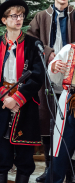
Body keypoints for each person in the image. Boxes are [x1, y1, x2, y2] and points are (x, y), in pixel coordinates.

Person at [0, 0, 44, 183]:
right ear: (4, 20)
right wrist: (5, 96)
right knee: (2, 153)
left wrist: (17, 98)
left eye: (21, 15)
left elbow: (37, 76)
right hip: (1, 103)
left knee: (25, 156)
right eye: (14, 15)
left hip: (25, 104)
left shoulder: (34, 44)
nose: (19, 19)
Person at [27, 0, 75, 183]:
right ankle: (51, 169)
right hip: (48, 80)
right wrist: (49, 52)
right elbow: (30, 40)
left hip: (72, 79)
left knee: (70, 125)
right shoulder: (41, 16)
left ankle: (70, 171)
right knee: (49, 125)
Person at [44, 43, 75, 183]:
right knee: (61, 149)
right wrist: (54, 68)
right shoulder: (70, 49)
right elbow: (53, 76)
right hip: (71, 100)